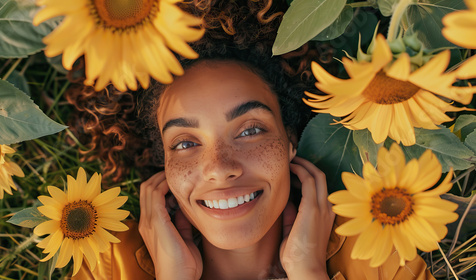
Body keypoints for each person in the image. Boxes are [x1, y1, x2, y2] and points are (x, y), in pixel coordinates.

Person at [68, 2, 436, 279]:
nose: (219, 168)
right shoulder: (108, 263)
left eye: (249, 130)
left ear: (292, 140)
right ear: (162, 163)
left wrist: (308, 271)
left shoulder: (379, 255)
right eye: (184, 143)